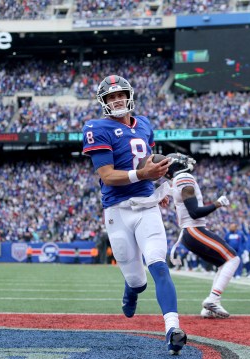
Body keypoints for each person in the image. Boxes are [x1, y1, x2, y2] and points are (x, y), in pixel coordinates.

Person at [82, 75, 186, 355]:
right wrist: (143, 173)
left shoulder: (145, 124)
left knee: (158, 264)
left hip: (146, 205)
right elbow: (107, 175)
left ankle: (172, 329)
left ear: (129, 96)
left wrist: (160, 180)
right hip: (117, 210)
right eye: (110, 97)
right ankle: (131, 289)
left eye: (120, 95)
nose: (116, 100)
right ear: (103, 102)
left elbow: (145, 161)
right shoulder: (96, 128)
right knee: (137, 281)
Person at [165, 153, 240, 319]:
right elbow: (194, 212)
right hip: (194, 229)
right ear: (177, 165)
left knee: (223, 264)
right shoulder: (184, 177)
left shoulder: (177, 180)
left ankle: (210, 307)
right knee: (233, 259)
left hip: (190, 232)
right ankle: (213, 299)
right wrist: (218, 203)